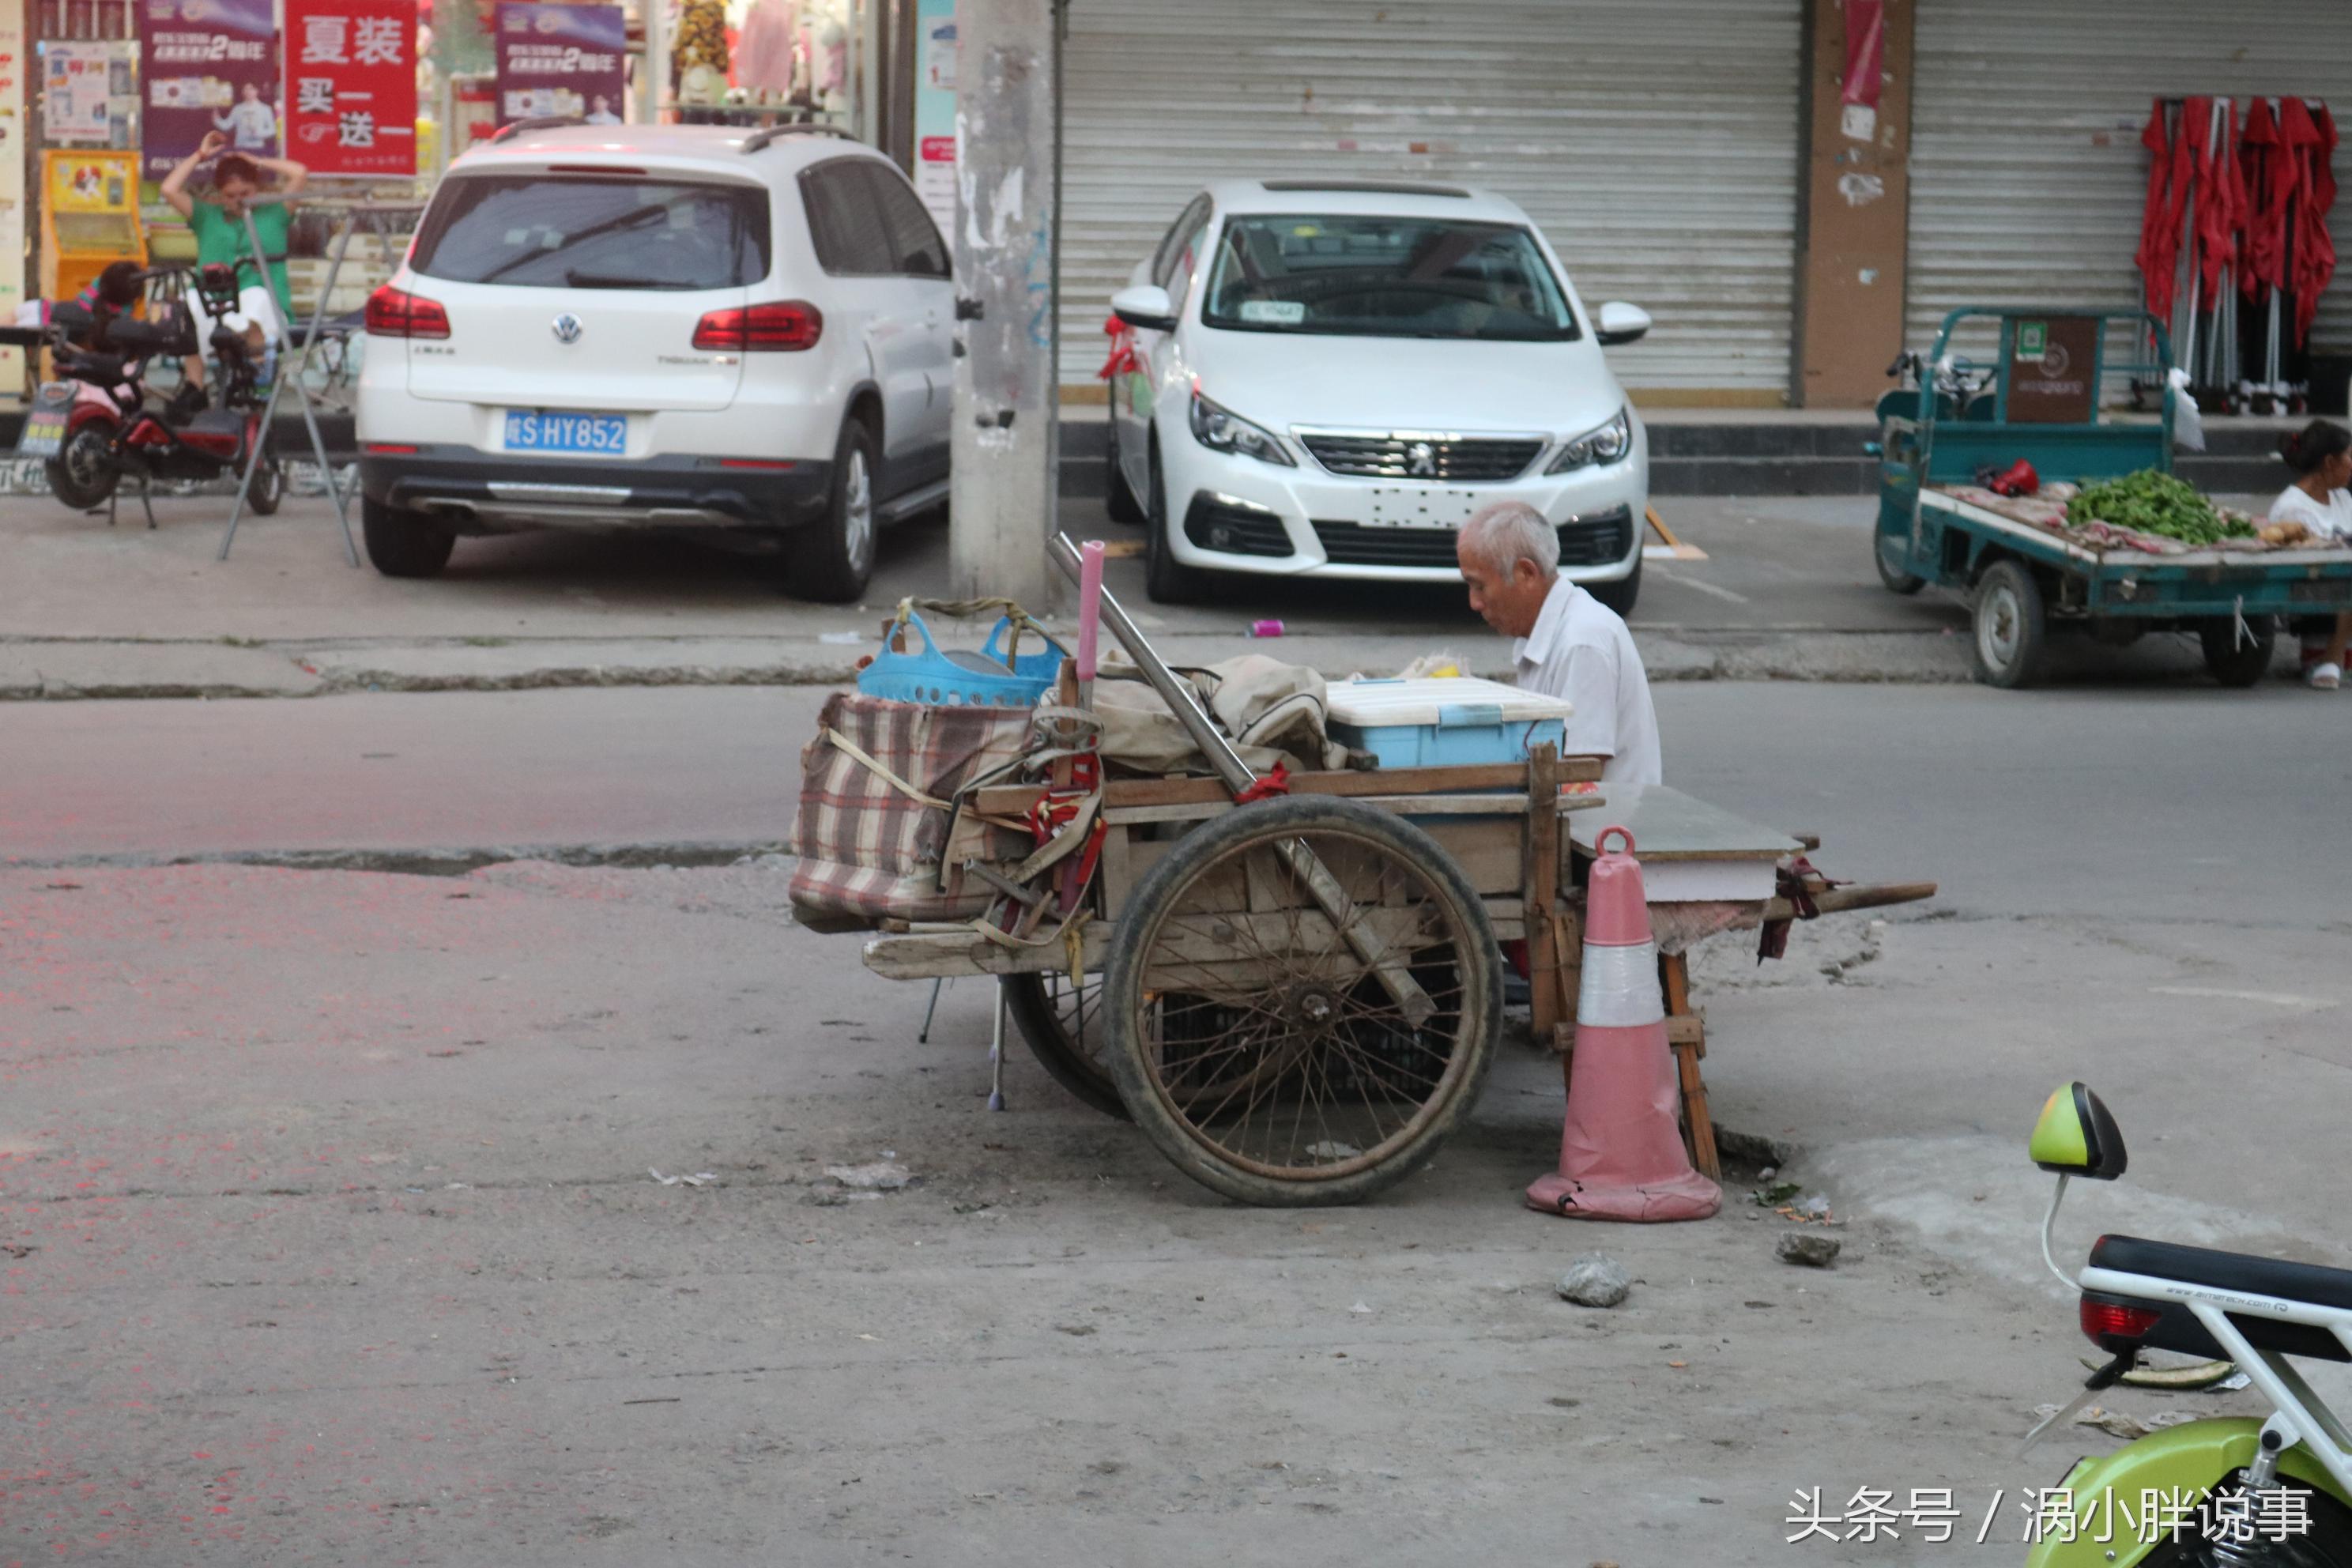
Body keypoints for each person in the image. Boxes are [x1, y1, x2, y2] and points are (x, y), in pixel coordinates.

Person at [1457, 499, 1661, 784]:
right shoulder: (1544, 632)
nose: (1474, 602)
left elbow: (1579, 773)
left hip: (1599, 825)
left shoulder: (1582, 642)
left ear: (1526, 573)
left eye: (1479, 586)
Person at [159, 133, 306, 392]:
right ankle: (196, 388)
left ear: (256, 187)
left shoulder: (277, 212)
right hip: (216, 299)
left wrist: (258, 161)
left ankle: (258, 378)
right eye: (230, 195)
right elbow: (169, 189)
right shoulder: (206, 215)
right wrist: (200, 156)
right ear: (220, 194)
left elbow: (299, 172)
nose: (238, 200)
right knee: (190, 306)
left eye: (245, 193)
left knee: (255, 301)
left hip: (262, 302)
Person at [2268, 420, 2352, 690]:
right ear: (2330, 463)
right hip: (2315, 588)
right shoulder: (2293, 507)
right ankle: (2333, 654)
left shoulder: (2342, 498)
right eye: (2349, 457)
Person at [213, 81, 277, 153]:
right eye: (245, 89)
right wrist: (217, 119)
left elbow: (272, 131)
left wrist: (258, 133)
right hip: (240, 147)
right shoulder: (237, 109)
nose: (248, 92)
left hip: (257, 148)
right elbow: (227, 125)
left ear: (257, 91)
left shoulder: (265, 109)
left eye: (251, 89)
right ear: (242, 92)